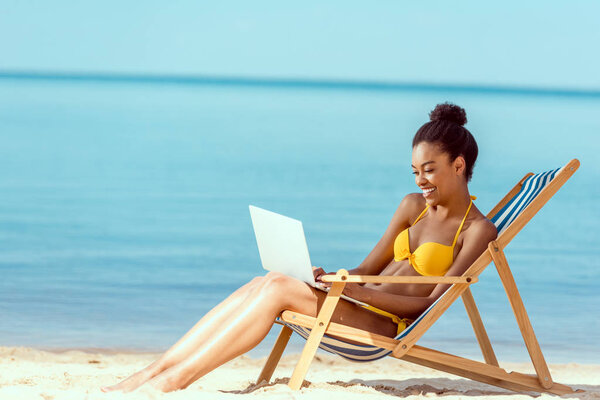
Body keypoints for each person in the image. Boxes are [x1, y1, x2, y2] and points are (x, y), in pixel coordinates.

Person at [101, 102, 498, 393]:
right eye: (415, 172)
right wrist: (335, 279)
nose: (420, 182)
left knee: (276, 288)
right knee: (269, 280)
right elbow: (366, 267)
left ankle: (174, 381)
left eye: (429, 170)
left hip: (384, 326)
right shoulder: (412, 207)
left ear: (459, 166)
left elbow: (431, 301)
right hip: (357, 304)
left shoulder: (478, 231)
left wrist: (354, 290)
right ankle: (153, 372)